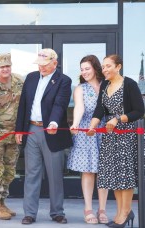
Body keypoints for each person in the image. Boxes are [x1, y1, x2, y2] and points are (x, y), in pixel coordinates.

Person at [15, 48, 73, 225]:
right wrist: (19, 129)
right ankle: (29, 213)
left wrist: (54, 123)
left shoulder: (63, 80)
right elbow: (23, 104)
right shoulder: (31, 78)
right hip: (31, 129)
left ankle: (57, 212)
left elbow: (60, 104)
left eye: (45, 65)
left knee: (54, 174)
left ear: (54, 63)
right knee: (32, 173)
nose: (41, 68)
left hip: (51, 131)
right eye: (39, 65)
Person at [87, 54, 144, 228]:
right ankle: (121, 212)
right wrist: (92, 125)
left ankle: (125, 213)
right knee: (115, 177)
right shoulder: (105, 84)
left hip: (126, 134)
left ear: (118, 67)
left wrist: (118, 119)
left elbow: (139, 111)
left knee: (124, 176)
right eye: (103, 67)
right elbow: (99, 109)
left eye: (108, 66)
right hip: (110, 135)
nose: (104, 70)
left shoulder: (130, 84)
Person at [67, 55, 109, 224]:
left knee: (104, 171)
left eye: (87, 68)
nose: (84, 72)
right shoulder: (80, 88)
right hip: (87, 132)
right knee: (88, 171)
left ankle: (102, 209)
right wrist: (76, 124)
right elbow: (79, 108)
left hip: (106, 130)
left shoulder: (107, 85)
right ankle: (88, 209)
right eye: (82, 69)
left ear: (95, 68)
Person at [0, 53, 24, 220]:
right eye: (2, 67)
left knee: (9, 171)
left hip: (14, 136)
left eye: (8, 66)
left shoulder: (18, 81)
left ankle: (2, 202)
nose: (5, 69)